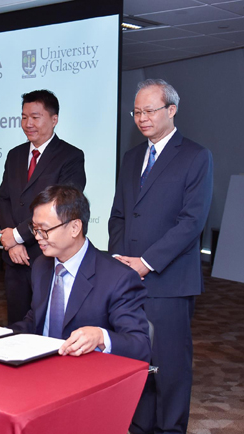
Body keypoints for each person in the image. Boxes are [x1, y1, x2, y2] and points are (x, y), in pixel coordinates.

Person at [109, 79, 213, 434]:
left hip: (168, 281)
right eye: (137, 111)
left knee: (170, 368)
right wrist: (120, 260)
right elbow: (120, 215)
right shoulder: (132, 156)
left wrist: (146, 262)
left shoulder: (196, 156)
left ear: (171, 110)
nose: (141, 118)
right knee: (137, 361)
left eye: (149, 110)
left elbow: (192, 222)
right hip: (128, 279)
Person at [0, 185, 150, 362]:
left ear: (74, 228)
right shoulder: (42, 265)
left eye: (45, 230)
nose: (38, 237)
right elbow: (35, 323)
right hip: (42, 369)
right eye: (35, 229)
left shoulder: (118, 278)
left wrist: (101, 336)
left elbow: (140, 345)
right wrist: (2, 333)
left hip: (86, 376)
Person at [0, 90, 86, 324]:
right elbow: (3, 198)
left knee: (47, 324)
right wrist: (11, 241)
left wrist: (18, 236)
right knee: (17, 325)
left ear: (54, 119)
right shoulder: (14, 155)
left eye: (35, 117)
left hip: (48, 256)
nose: (28, 123)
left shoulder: (71, 156)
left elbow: (62, 205)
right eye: (24, 117)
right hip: (15, 259)